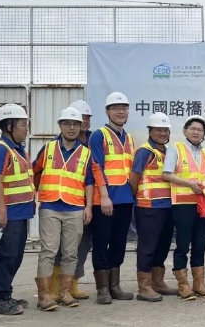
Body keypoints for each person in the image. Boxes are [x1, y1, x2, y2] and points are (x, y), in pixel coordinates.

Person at [32, 107, 94, 311]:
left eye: (75, 124)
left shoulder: (85, 153)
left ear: (81, 126)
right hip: (50, 206)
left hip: (75, 208)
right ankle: (44, 295)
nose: (72, 128)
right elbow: (34, 172)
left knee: (70, 253)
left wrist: (88, 207)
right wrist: (32, 196)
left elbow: (89, 182)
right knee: (48, 251)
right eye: (67, 123)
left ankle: (64, 292)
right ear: (60, 125)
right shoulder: (48, 148)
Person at [0, 103, 36, 315]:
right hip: (8, 214)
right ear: (9, 126)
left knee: (15, 256)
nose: (26, 128)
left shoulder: (18, 150)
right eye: (23, 124)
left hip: (20, 213)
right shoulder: (0, 149)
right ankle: (0, 298)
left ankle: (3, 294)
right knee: (7, 256)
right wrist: (1, 212)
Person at [89, 92, 136, 304]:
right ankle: (102, 290)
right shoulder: (99, 135)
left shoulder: (129, 138)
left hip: (125, 199)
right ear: (107, 112)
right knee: (101, 243)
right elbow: (96, 166)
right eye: (116, 108)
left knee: (119, 243)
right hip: (105, 200)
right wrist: (105, 196)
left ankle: (114, 286)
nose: (121, 112)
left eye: (124, 108)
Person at [162, 115, 205, 300]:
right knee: (183, 245)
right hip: (182, 204)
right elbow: (167, 174)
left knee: (200, 245)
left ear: (204, 134)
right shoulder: (176, 148)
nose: (196, 132)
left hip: (202, 205)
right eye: (193, 129)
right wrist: (189, 184)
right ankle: (183, 286)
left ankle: (199, 284)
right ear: (185, 131)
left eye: (200, 130)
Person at [130, 112, 178, 302]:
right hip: (148, 207)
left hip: (167, 206)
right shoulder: (145, 151)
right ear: (150, 131)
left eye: (165, 130)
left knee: (162, 246)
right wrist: (137, 197)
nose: (163, 133)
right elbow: (134, 177)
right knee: (147, 247)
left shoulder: (168, 152)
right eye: (159, 130)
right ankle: (144, 287)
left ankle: (157, 282)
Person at [51, 99, 95, 300]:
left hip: (87, 202)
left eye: (87, 118)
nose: (84, 121)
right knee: (61, 247)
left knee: (83, 245)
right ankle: (54, 286)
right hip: (64, 203)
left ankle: (73, 284)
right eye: (80, 118)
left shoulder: (94, 139)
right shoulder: (56, 144)